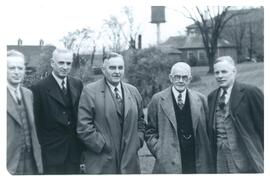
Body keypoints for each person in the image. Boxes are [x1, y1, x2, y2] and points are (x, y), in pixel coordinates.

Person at [77, 52, 145, 174]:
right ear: (103, 70)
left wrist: (137, 141)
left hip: (130, 162)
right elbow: (84, 127)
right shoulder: (90, 91)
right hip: (102, 162)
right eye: (112, 68)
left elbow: (140, 120)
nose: (117, 71)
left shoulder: (133, 91)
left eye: (120, 67)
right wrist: (102, 145)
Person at [145, 62, 214, 174]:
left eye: (184, 77)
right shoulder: (157, 100)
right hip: (169, 162)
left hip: (196, 160)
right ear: (171, 78)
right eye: (177, 77)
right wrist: (160, 151)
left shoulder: (201, 99)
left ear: (190, 79)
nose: (181, 80)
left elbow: (209, 130)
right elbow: (149, 132)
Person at [31, 48, 83, 174]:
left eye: (68, 63)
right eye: (61, 63)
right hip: (51, 155)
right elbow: (36, 124)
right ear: (52, 63)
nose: (65, 67)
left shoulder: (77, 84)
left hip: (74, 154)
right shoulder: (39, 88)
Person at [208, 56, 263, 173]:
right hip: (220, 159)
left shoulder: (250, 93)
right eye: (216, 72)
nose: (220, 76)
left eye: (224, 71)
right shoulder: (212, 97)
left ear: (234, 72)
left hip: (246, 158)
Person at [7, 50, 43, 174]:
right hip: (9, 162)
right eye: (12, 68)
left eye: (20, 68)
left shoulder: (28, 94)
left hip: (30, 160)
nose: (17, 72)